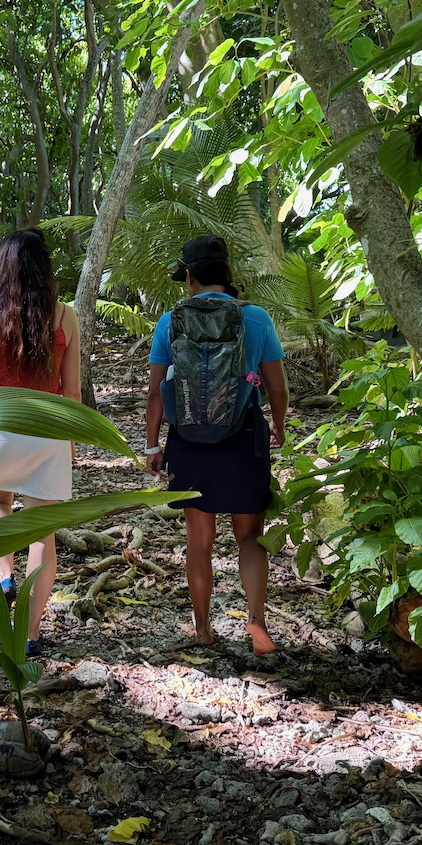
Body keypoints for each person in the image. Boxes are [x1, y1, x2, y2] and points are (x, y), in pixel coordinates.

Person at [144, 235, 287, 655]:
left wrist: (153, 444)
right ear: (227, 274)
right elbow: (276, 389)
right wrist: (277, 426)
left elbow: (156, 392)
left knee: (199, 539)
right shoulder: (256, 318)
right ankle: (257, 623)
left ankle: (203, 628)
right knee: (250, 538)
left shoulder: (171, 322)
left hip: (189, 439)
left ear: (188, 276)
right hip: (243, 435)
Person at [0, 229, 81, 658]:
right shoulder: (65, 318)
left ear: (0, 270)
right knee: (42, 533)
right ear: (45, 271)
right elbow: (73, 393)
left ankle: (5, 575)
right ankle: (28, 635)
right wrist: (73, 438)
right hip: (47, 435)